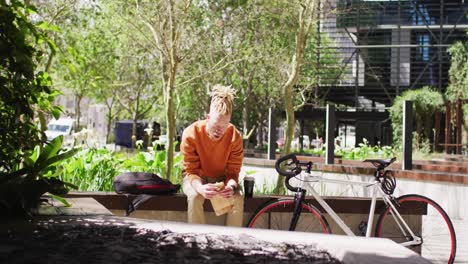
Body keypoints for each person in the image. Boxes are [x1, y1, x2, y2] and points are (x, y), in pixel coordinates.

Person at [180, 84, 244, 226]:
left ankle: (233, 242)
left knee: (237, 197)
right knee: (196, 196)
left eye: (224, 125)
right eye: (216, 125)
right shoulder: (191, 133)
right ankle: (197, 241)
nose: (219, 131)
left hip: (221, 179)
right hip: (196, 178)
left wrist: (231, 187)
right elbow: (191, 171)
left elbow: (233, 173)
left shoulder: (235, 136)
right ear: (208, 117)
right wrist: (201, 188)